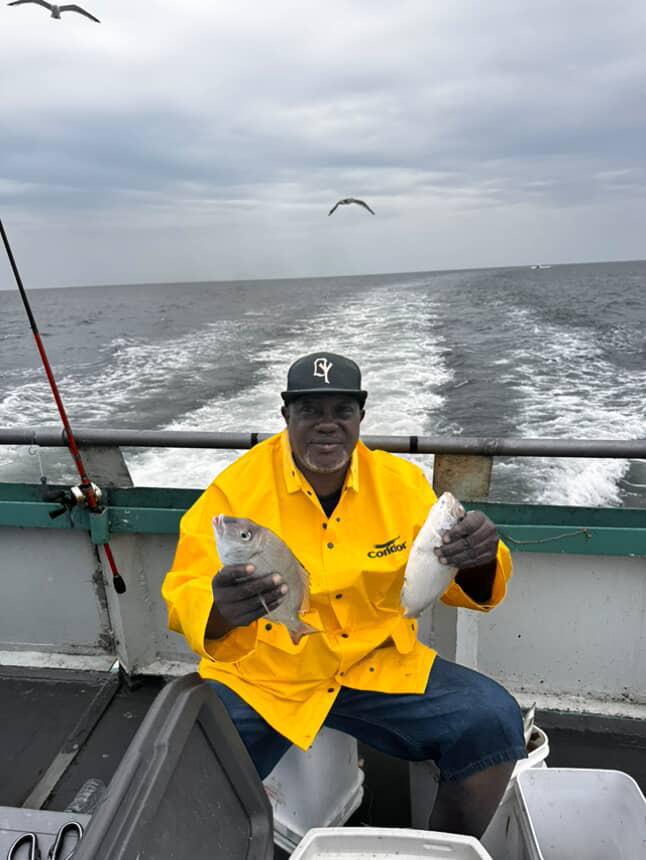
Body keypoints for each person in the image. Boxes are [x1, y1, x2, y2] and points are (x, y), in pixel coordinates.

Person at [162, 351, 527, 838]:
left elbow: (464, 584)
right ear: (285, 415)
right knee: (186, 776)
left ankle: (446, 851)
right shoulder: (234, 492)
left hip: (375, 661)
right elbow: (185, 587)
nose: (327, 425)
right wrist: (220, 611)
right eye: (311, 410)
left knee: (493, 723)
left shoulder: (402, 484)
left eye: (342, 411)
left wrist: (479, 555)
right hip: (266, 678)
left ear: (360, 417)